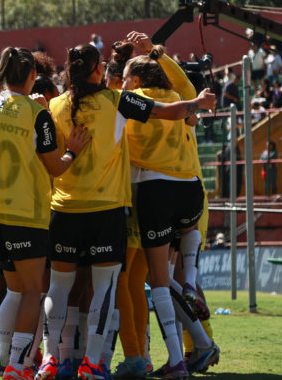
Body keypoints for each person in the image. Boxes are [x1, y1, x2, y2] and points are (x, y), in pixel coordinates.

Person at [39, 41, 216, 380]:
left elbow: (47, 153)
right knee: (114, 288)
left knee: (63, 289)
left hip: (67, 208)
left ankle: (53, 359)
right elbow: (173, 110)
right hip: (113, 208)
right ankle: (100, 362)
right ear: (98, 70)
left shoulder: (56, 106)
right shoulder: (119, 101)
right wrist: (198, 103)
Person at [0, 47, 89, 380]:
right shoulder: (37, 113)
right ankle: (17, 366)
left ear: (0, 73)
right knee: (31, 289)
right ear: (32, 77)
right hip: (24, 215)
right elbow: (55, 167)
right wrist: (72, 151)